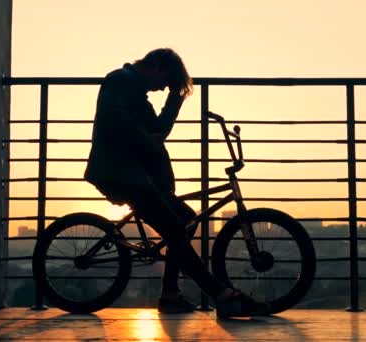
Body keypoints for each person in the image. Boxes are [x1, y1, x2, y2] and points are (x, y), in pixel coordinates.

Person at [84, 48, 269, 318]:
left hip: (137, 176)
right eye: (165, 82)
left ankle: (170, 294)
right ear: (156, 65)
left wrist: (175, 99)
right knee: (173, 227)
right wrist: (145, 139)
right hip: (120, 173)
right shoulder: (120, 79)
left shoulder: (137, 94)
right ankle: (221, 294)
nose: (161, 88)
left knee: (185, 218)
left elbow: (159, 131)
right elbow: (115, 118)